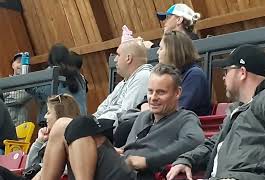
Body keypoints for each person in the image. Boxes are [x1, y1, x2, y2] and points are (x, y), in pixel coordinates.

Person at [166, 44, 265, 180]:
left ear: (242, 72)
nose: (223, 77)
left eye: (227, 70)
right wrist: (188, 159)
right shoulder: (241, 109)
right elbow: (214, 144)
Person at [39, 64, 205, 180]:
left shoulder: (185, 118)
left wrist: (147, 160)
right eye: (150, 91)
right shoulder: (142, 117)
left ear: (177, 93)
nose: (153, 98)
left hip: (137, 175)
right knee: (64, 127)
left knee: (70, 125)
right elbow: (133, 147)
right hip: (121, 164)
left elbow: (195, 140)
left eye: (161, 92)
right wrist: (122, 150)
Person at [0, 94, 80, 180]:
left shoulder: (73, 141)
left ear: (60, 115)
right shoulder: (48, 139)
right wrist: (39, 141)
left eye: (49, 112)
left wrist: (43, 168)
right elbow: (29, 167)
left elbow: (68, 169)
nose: (45, 116)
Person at [92, 37, 153, 127]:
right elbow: (102, 108)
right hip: (103, 124)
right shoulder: (123, 83)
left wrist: (95, 125)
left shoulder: (143, 76)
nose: (115, 59)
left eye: (118, 55)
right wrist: (92, 121)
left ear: (128, 58)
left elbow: (126, 113)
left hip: (112, 129)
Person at [26, 44, 87, 126]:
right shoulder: (79, 76)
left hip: (61, 124)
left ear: (51, 58)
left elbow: (45, 94)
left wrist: (28, 86)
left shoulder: (51, 74)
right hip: (81, 120)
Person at [157, 30, 211, 115]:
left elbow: (179, 110)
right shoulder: (168, 75)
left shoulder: (194, 75)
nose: (157, 52)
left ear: (173, 50)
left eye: (161, 48)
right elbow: (147, 100)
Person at [3, 52, 32, 126]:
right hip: (5, 125)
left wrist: (3, 99)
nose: (20, 65)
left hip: (20, 125)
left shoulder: (30, 83)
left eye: (23, 63)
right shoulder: (4, 83)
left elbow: (20, 98)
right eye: (18, 62)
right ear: (13, 65)